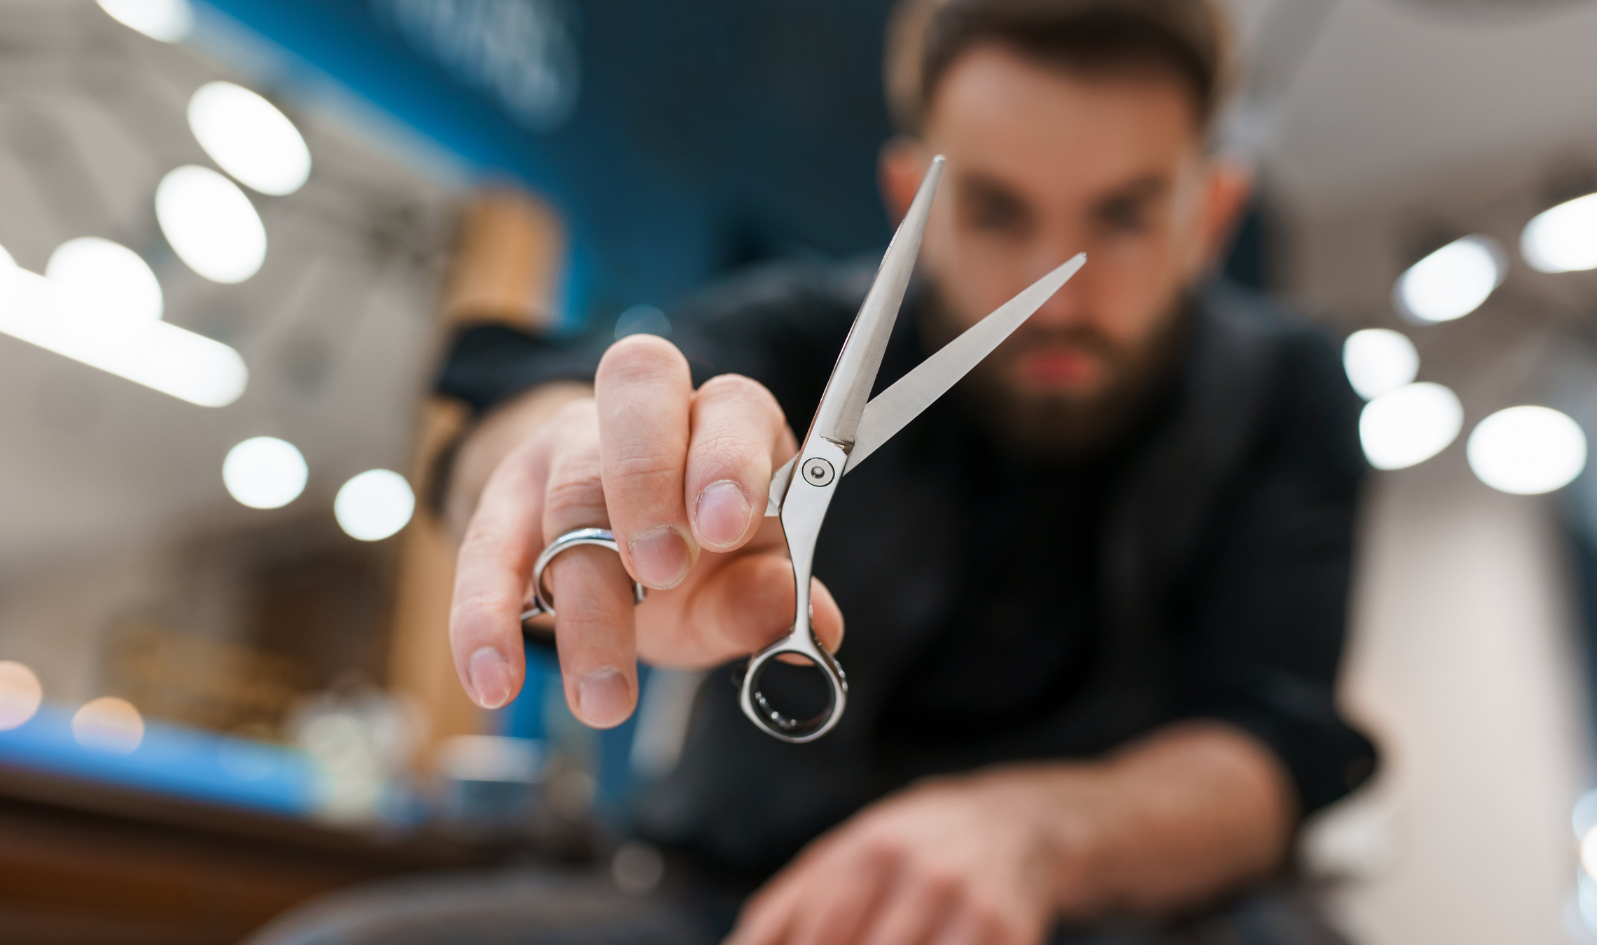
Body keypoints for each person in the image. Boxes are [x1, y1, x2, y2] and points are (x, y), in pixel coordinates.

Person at [252, 0, 1375, 942]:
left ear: (1211, 212)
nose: (1056, 295)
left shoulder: (1289, 390)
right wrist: (563, 462)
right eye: (991, 210)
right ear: (908, 200)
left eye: (1121, 219)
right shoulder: (800, 335)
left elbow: (1270, 743)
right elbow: (554, 391)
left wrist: (1035, 834)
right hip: (737, 904)